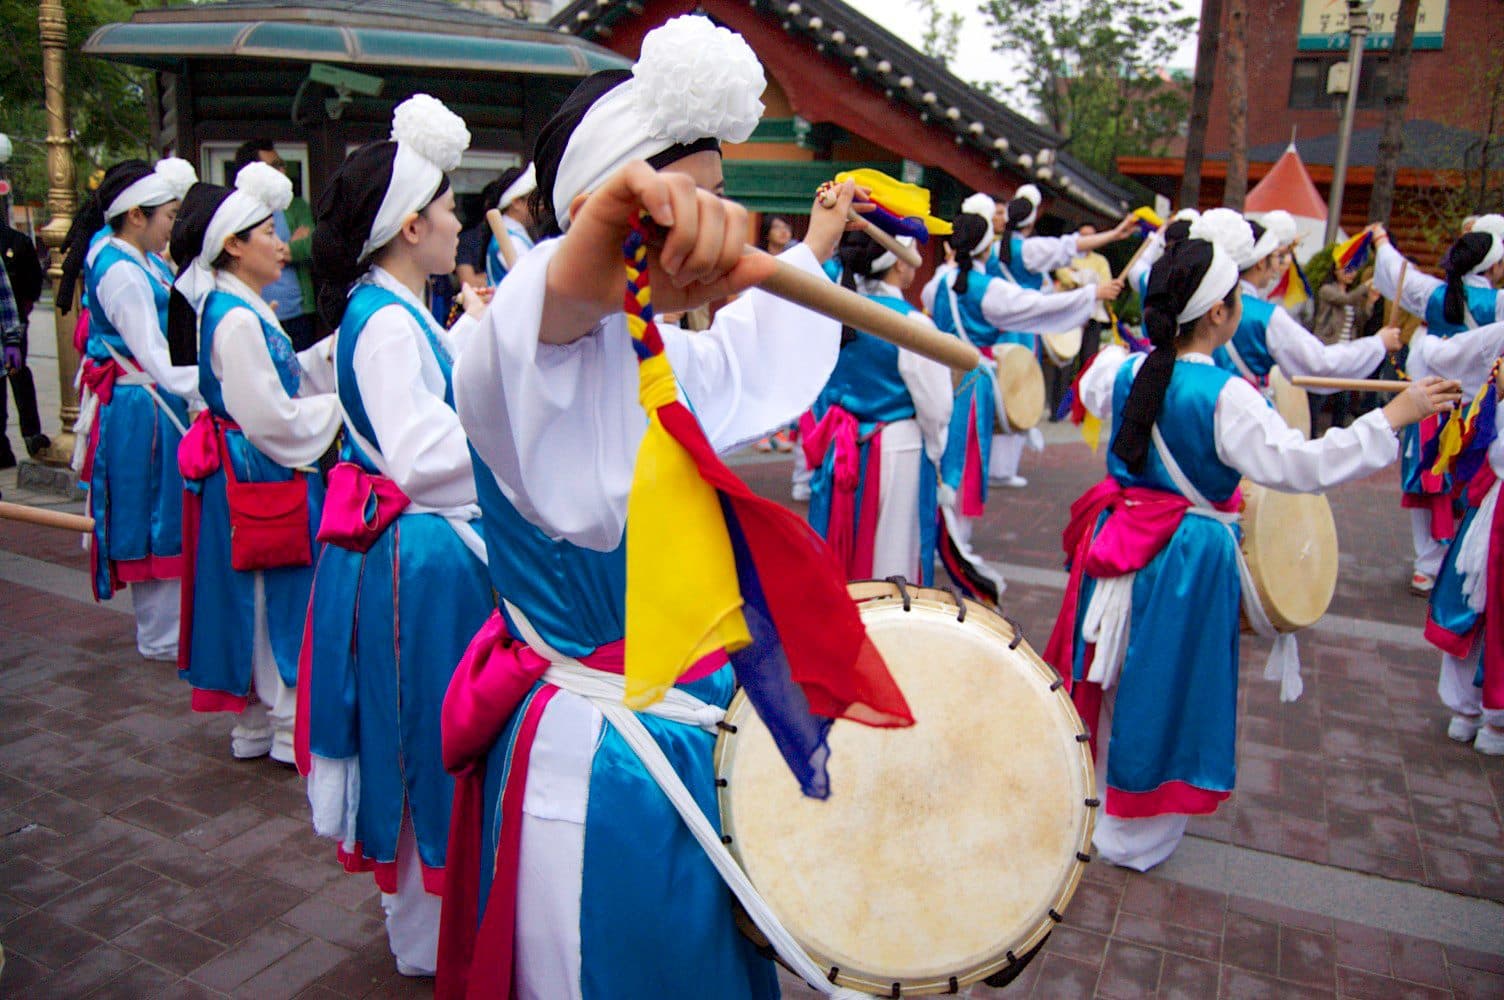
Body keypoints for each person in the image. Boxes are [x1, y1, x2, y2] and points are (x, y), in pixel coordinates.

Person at [436, 15, 883, 997]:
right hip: (600, 766)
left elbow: (745, 361)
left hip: (681, 739)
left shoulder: (659, 357)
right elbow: (540, 326)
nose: (719, 232)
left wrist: (806, 247)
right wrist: (587, 257)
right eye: (696, 202)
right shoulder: (516, 353)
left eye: (722, 203)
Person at [1042, 234, 1460, 872]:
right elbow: (1299, 466)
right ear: (1218, 313)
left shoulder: (1120, 370)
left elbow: (1098, 392)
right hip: (1187, 553)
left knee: (1113, 670)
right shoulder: (1228, 397)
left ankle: (1096, 796)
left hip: (1118, 534)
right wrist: (1391, 418)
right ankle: (1136, 829)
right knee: (1167, 684)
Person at [301, 94, 495, 978]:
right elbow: (418, 453)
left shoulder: (394, 310)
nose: (462, 222)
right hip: (418, 559)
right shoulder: (383, 322)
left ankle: (431, 920)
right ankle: (425, 933)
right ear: (412, 224)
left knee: (426, 727)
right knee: (424, 734)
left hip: (421, 553)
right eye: (452, 208)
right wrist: (514, 452)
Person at [168, 164, 341, 763]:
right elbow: (270, 416)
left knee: (251, 590)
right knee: (275, 594)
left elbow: (281, 374)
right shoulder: (238, 317)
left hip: (241, 473)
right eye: (266, 231)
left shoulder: (236, 306)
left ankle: (258, 725)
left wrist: (331, 357)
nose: (279, 241)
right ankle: (290, 725)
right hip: (257, 474)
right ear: (234, 246)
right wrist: (338, 409)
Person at [922, 210, 1120, 600]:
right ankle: (956, 541)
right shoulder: (986, 287)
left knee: (938, 452)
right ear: (986, 247)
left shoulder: (938, 282)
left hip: (937, 372)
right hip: (971, 377)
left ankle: (932, 531)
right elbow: (1035, 307)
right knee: (965, 456)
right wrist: (1089, 295)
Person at [56, 157, 198, 660]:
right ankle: (159, 635)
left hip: (154, 401)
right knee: (150, 511)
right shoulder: (119, 270)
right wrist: (208, 385)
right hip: (143, 406)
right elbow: (153, 353)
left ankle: (171, 628)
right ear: (137, 215)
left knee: (165, 506)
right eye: (168, 215)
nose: (171, 226)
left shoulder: (143, 260)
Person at [803, 230, 951, 584]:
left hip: (841, 448)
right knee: (892, 555)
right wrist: (936, 449)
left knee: (846, 546)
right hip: (896, 447)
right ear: (900, 262)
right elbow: (937, 405)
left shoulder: (835, 311)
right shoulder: (910, 324)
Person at [1373, 221, 1504, 594]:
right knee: (1470, 486)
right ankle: (1460, 560)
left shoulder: (1432, 294)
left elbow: (1394, 268)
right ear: (1493, 267)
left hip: (1427, 408)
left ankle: (1425, 565)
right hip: (1476, 414)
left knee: (1427, 483)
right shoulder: (1496, 305)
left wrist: (1382, 240)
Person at [974, 187, 1134, 487]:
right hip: (1023, 327)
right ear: (1031, 220)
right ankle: (1003, 468)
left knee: (998, 395)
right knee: (1018, 394)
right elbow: (1070, 247)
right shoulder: (1028, 250)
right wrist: (1113, 235)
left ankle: (992, 464)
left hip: (996, 329)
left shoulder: (992, 249)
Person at [1417, 323, 1504, 754]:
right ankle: (1483, 717)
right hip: (1492, 496)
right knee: (1475, 594)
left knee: (1473, 595)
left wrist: (1426, 342)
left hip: (1491, 493)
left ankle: (1472, 713)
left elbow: (1445, 357)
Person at [230, 141, 319, 349]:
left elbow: (311, 246)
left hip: (298, 313)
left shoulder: (296, 206)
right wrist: (290, 247)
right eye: (275, 165)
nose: (282, 169)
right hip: (259, 310)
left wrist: (282, 250)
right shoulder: (241, 213)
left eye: (282, 163)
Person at [0, 214, 47, 463]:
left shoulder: (17, 242)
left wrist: (15, 331)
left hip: (12, 324)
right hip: (12, 323)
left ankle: (31, 433)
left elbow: (30, 285)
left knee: (18, 375)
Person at [1309, 263, 1377, 433]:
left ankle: (1337, 433)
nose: (1350, 273)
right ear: (1335, 270)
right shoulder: (1327, 290)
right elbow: (1344, 300)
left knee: (1343, 398)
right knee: (1320, 395)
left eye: (1353, 269)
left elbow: (1361, 320)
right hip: (1329, 349)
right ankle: (1310, 431)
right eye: (1345, 269)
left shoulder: (1354, 295)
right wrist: (1365, 286)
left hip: (1347, 351)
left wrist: (1369, 302)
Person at [483, 164, 537, 286]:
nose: (540, 206)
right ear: (516, 202)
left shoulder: (513, 235)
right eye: (533, 199)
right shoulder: (511, 240)